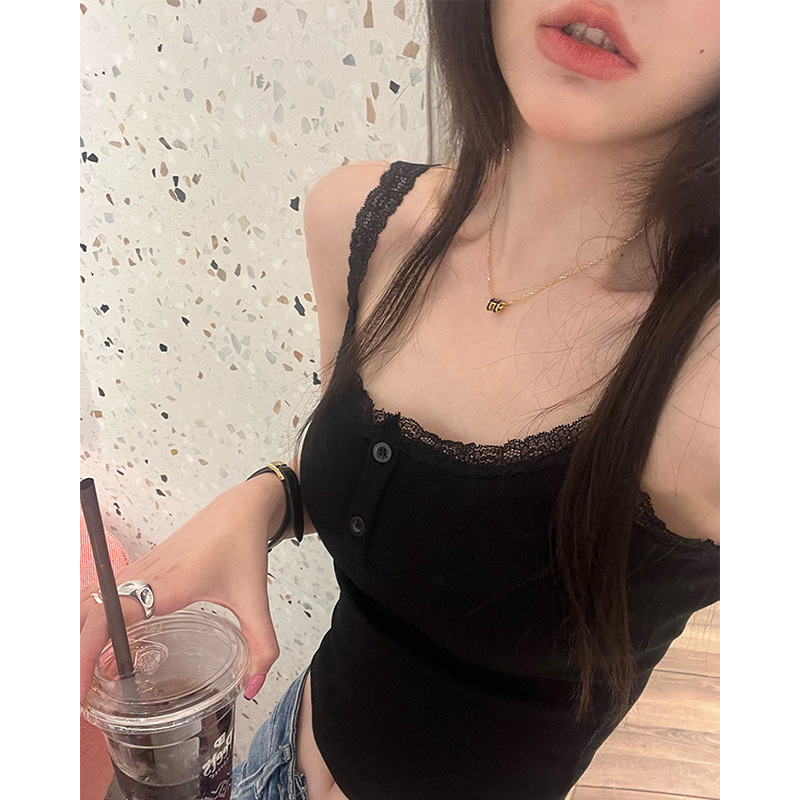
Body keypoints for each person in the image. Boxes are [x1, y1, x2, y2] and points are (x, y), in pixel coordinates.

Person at [80, 1, 720, 799]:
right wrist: (268, 499)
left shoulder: (715, 389)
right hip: (277, 760)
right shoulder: (361, 220)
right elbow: (384, 491)